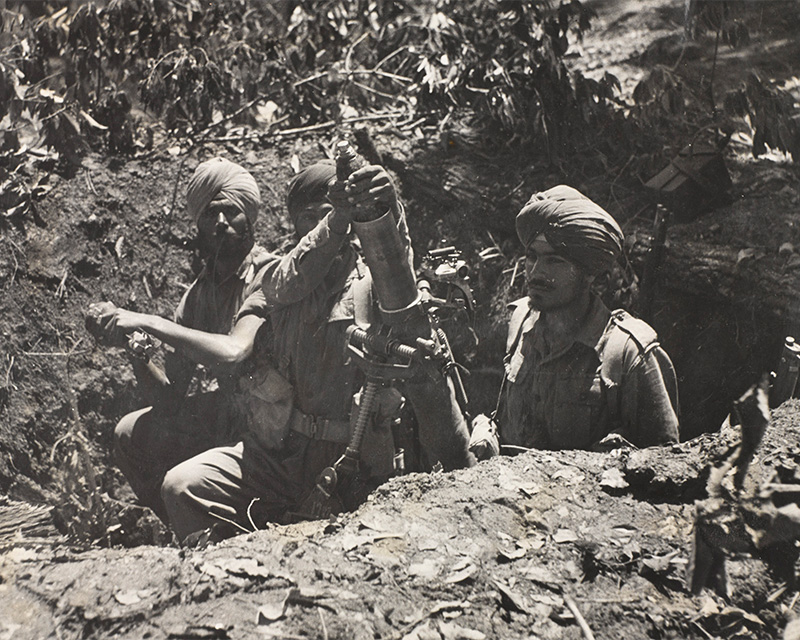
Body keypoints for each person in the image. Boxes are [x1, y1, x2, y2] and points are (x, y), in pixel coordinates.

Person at [86, 157, 292, 537]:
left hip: (280, 429)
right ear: (197, 224)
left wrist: (150, 321)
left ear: (250, 217)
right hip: (235, 418)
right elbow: (170, 401)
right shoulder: (200, 295)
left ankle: (233, 525)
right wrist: (137, 352)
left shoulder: (271, 275)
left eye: (231, 211)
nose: (220, 223)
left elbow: (233, 352)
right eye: (209, 214)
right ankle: (186, 529)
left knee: (180, 481)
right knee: (130, 432)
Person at [470, 185, 680, 457]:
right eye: (532, 257)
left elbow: (665, 462)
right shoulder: (520, 321)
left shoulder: (628, 353)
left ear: (591, 275)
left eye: (555, 261)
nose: (536, 272)